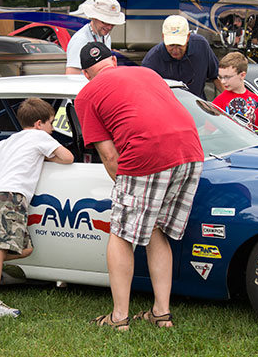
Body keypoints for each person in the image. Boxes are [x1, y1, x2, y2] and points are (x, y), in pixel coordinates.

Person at [75, 42, 204, 330]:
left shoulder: (86, 95)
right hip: (191, 151)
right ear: (114, 62)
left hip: (148, 153)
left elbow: (109, 156)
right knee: (156, 228)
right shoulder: (148, 74)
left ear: (86, 74)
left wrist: (125, 193)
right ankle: (161, 313)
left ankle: (119, 317)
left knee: (121, 234)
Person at [0, 98, 74, 316]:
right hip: (12, 197)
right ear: (39, 124)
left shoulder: (10, 141)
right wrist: (47, 157)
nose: (52, 129)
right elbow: (68, 157)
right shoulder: (40, 137)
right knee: (0, 251)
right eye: (51, 124)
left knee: (25, 249)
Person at [142, 15, 223, 100]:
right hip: (168, 108)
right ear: (163, 37)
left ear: (188, 37)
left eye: (180, 45)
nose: (175, 50)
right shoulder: (151, 61)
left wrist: (231, 100)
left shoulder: (201, 45)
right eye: (171, 45)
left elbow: (216, 76)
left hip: (196, 106)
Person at [65, 0, 125, 74]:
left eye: (113, 23)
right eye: (105, 22)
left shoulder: (106, 37)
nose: (109, 27)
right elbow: (72, 73)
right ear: (94, 18)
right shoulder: (80, 39)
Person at [212, 52, 258, 129]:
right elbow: (209, 129)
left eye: (227, 77)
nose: (222, 81)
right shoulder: (219, 101)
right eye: (220, 77)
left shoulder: (255, 99)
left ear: (242, 75)